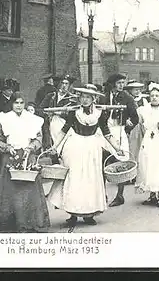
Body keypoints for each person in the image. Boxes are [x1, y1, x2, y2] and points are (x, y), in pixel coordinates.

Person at [47, 86, 124, 226]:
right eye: (82, 96)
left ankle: (89, 213)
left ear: (93, 99)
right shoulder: (73, 112)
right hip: (74, 147)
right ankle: (73, 213)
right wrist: (55, 146)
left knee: (90, 179)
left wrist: (117, 148)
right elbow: (64, 131)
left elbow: (107, 133)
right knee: (74, 179)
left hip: (92, 148)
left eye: (88, 97)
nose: (85, 99)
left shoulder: (100, 114)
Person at [0, 92, 50, 232]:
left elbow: (39, 138)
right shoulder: (4, 118)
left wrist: (31, 147)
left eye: (21, 103)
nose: (19, 106)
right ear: (11, 103)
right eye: (16, 103)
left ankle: (31, 223)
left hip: (28, 157)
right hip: (10, 157)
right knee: (11, 192)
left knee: (29, 191)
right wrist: (6, 147)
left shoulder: (32, 119)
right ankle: (12, 224)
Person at [99, 73, 139, 207]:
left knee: (121, 162)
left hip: (119, 130)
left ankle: (120, 195)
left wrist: (128, 127)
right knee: (102, 162)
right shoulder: (104, 96)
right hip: (104, 131)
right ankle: (101, 194)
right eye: (119, 83)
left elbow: (135, 118)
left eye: (123, 83)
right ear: (113, 84)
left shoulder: (127, 97)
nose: (122, 85)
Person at [38, 74, 78, 158]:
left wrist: (58, 113)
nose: (64, 86)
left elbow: (73, 115)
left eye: (66, 84)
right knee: (51, 146)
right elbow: (40, 109)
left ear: (69, 85)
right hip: (50, 123)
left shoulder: (71, 99)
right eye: (62, 83)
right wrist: (47, 113)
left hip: (63, 124)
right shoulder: (51, 96)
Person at [125, 80, 148, 184]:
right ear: (130, 90)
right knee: (131, 150)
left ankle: (140, 173)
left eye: (139, 89)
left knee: (141, 150)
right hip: (131, 127)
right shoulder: (127, 100)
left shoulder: (143, 101)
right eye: (135, 89)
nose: (137, 91)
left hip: (141, 127)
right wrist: (126, 120)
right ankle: (131, 174)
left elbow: (147, 113)